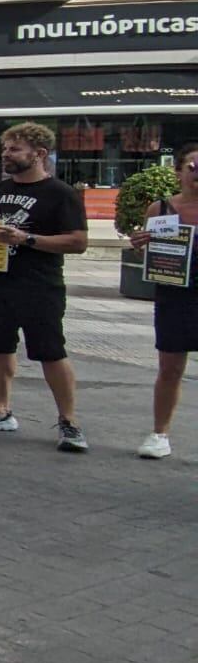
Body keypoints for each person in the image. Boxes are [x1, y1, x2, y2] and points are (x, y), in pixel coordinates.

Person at [0, 122, 91, 451]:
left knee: (50, 351)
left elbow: (78, 241)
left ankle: (69, 421)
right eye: (6, 148)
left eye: (15, 149)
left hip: (39, 284)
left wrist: (27, 238)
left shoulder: (61, 194)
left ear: (39, 153)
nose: (7, 154)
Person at [130, 142, 198, 459]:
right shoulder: (161, 210)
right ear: (179, 171)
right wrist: (141, 244)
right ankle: (160, 433)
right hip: (175, 297)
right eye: (193, 168)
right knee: (170, 367)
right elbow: (152, 256)